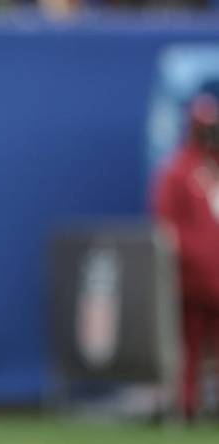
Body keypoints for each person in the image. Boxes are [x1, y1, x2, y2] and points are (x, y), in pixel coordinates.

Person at [153, 86, 219, 421]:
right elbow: (166, 226)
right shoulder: (178, 170)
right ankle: (189, 407)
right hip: (193, 279)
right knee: (190, 348)